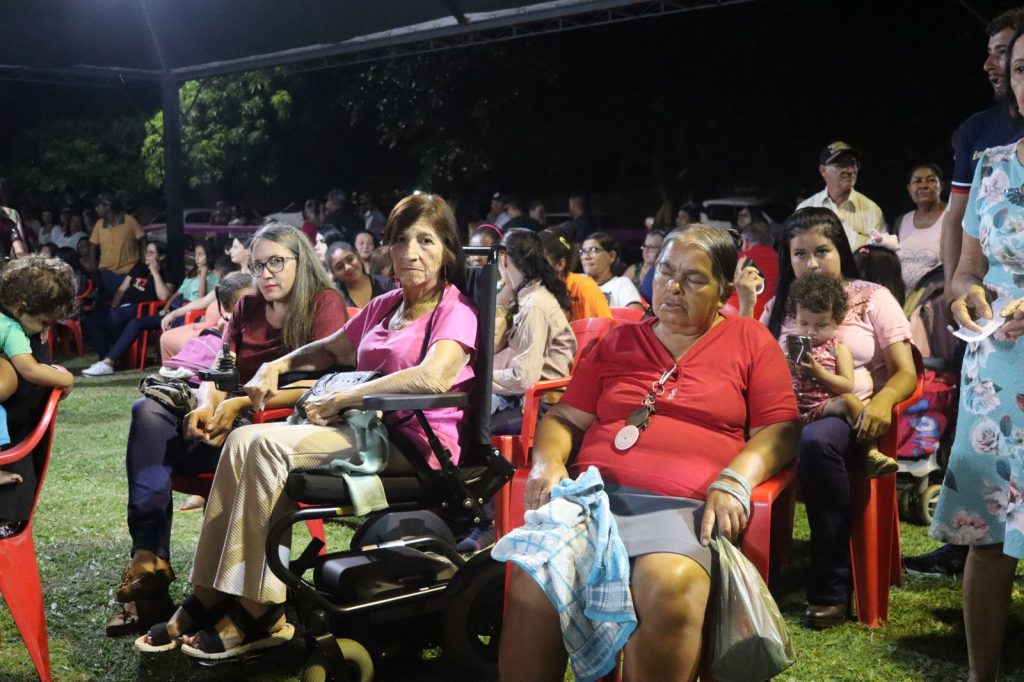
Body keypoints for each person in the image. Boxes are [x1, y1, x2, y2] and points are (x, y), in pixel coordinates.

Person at [135, 193, 478, 659]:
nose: (411, 253)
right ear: (388, 250)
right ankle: (211, 591)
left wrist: (347, 396)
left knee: (266, 448)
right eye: (401, 241)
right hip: (364, 431)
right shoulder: (386, 305)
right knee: (243, 440)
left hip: (414, 445)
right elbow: (328, 348)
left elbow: (436, 375)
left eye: (426, 241)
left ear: (447, 251)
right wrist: (278, 364)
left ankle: (261, 611)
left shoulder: (455, 310)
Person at [500, 225, 800, 681]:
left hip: (687, 510)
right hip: (594, 502)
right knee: (533, 581)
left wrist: (736, 479)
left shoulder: (750, 342)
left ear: (723, 289)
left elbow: (780, 429)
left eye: (694, 279)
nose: (674, 288)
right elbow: (564, 420)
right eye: (665, 272)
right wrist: (549, 461)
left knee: (667, 584)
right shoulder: (615, 343)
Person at [108, 223, 347, 638]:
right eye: (258, 265)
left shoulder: (323, 303)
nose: (266, 274)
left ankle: (232, 602)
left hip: (280, 433)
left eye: (277, 262)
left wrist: (241, 404)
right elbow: (219, 374)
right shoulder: (247, 307)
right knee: (147, 411)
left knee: (234, 434)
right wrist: (206, 407)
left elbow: (326, 383)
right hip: (233, 424)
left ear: (301, 261)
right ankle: (149, 556)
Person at [743, 207, 916, 628]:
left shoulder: (872, 296)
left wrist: (879, 403)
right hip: (785, 413)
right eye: (799, 254)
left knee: (818, 442)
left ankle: (831, 585)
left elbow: (906, 372)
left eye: (822, 251)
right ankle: (732, 574)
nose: (811, 263)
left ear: (841, 249)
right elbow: (750, 361)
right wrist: (748, 305)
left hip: (845, 416)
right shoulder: (781, 303)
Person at [928, 26, 1024, 680]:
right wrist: (972, 301)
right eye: (1021, 70)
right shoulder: (993, 165)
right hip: (999, 371)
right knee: (989, 540)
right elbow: (965, 271)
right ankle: (980, 674)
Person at [787, 271, 898, 478]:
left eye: (821, 325)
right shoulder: (792, 347)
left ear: (836, 322)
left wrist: (818, 372)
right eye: (804, 324)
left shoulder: (838, 349)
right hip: (791, 409)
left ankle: (870, 452)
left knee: (849, 401)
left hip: (821, 407)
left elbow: (846, 385)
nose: (811, 332)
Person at [492, 228, 576, 436]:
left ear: (503, 259)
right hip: (526, 401)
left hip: (540, 408)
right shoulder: (527, 296)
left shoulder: (535, 305)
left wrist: (482, 378)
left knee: (469, 427)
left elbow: (524, 378)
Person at [0, 256, 75, 457]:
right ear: (20, 307)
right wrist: (66, 378)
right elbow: (30, 369)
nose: (45, 330)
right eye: (43, 322)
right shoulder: (11, 329)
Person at [81, 240, 178, 377]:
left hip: (142, 308)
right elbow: (122, 289)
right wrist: (114, 305)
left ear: (161, 257)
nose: (147, 255)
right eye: (146, 251)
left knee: (114, 317)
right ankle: (106, 359)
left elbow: (164, 297)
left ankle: (112, 359)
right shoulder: (139, 268)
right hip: (124, 307)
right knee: (92, 319)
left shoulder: (166, 273)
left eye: (151, 252)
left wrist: (155, 273)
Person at [159, 236, 252, 361]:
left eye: (235, 247)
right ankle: (174, 375)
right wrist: (174, 313)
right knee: (166, 337)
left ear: (249, 251)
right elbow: (204, 301)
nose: (230, 251)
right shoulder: (231, 276)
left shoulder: (254, 280)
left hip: (226, 327)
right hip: (210, 324)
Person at [796, 142, 886, 250]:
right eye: (842, 164)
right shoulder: (805, 209)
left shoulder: (872, 211)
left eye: (853, 164)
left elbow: (881, 256)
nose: (850, 170)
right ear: (823, 170)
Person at [894, 164, 947, 292]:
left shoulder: (952, 218)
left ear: (941, 186)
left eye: (931, 180)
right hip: (903, 302)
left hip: (937, 301)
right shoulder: (901, 222)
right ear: (909, 188)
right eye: (917, 181)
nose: (923, 185)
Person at [539, 228, 612, 321]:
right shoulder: (531, 290)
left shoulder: (585, 287)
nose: (534, 267)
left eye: (541, 262)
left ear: (560, 264)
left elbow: (604, 329)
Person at [88, 193, 146, 307]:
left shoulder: (129, 221)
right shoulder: (99, 225)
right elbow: (92, 249)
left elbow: (143, 241)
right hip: (107, 275)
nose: (96, 209)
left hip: (129, 274)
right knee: (104, 308)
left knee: (128, 306)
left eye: (98, 206)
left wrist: (143, 265)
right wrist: (95, 271)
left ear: (107, 206)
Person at [580, 232, 645, 311]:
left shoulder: (621, 284)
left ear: (611, 256)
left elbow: (636, 314)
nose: (586, 256)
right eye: (582, 252)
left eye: (593, 250)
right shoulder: (577, 282)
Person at [729, 220, 780, 320]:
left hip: (736, 315)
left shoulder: (737, 260)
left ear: (746, 242)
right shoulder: (783, 262)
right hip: (770, 318)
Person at [325, 241, 395, 308]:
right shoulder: (337, 298)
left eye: (350, 259)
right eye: (340, 267)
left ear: (358, 256)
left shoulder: (384, 284)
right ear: (333, 273)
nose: (348, 267)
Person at [161, 241, 218, 321]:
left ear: (208, 257)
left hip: (193, 313)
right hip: (180, 309)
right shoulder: (192, 274)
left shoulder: (213, 277)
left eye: (200, 254)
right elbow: (177, 294)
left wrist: (203, 275)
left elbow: (201, 299)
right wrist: (165, 309)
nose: (196, 258)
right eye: (195, 255)